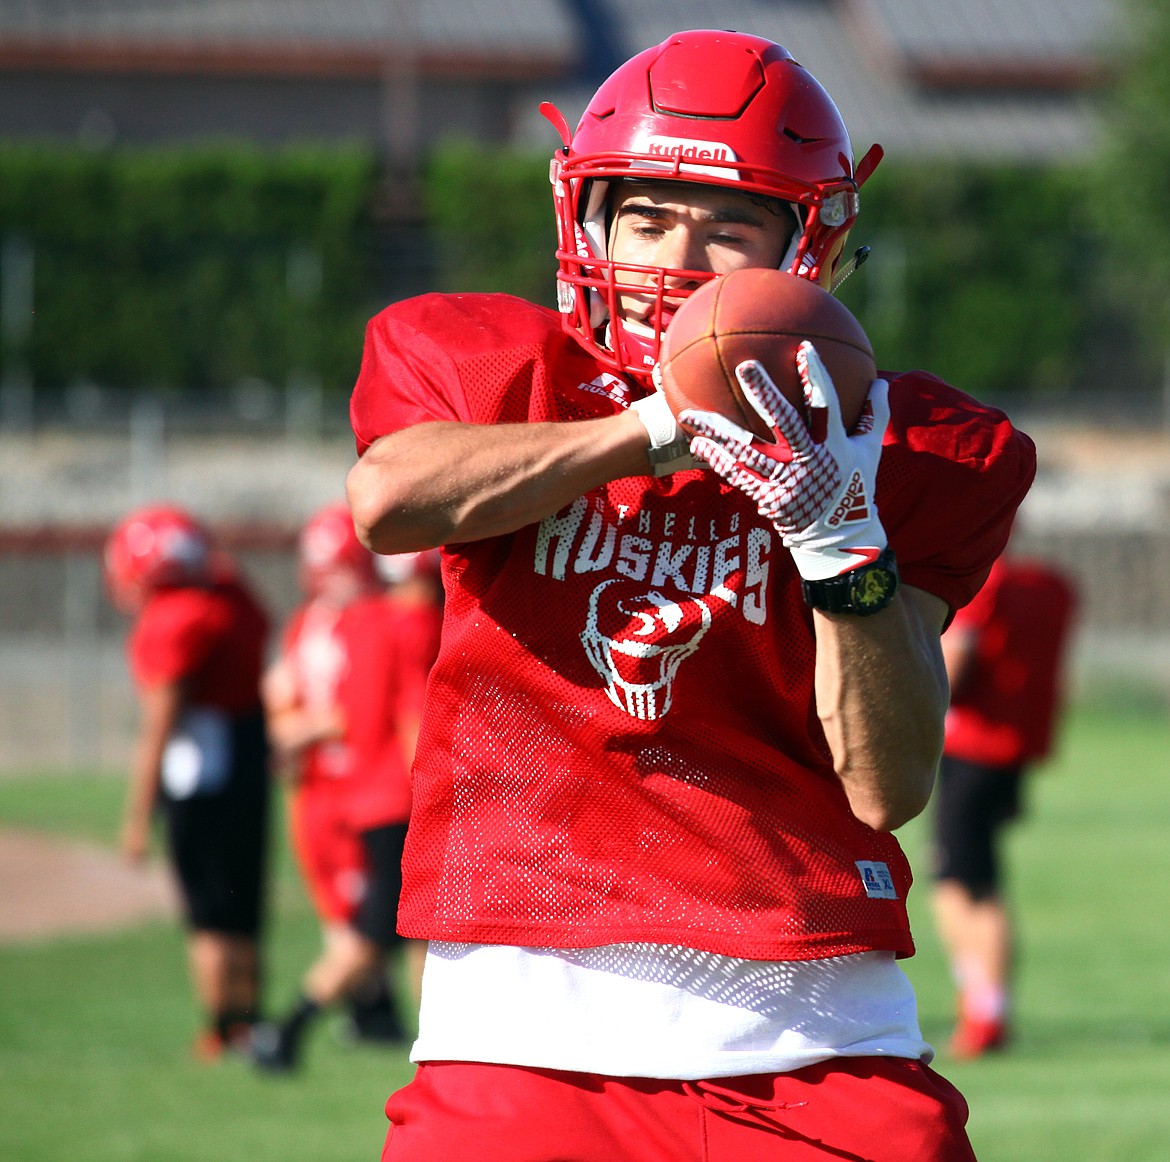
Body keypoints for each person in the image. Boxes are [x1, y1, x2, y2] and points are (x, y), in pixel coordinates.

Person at [345, 29, 1036, 1161]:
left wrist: (838, 537)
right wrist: (651, 433)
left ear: (806, 244)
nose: (678, 259)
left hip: (813, 1026)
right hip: (524, 1020)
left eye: (729, 228)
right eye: (650, 216)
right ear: (589, 221)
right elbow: (389, 500)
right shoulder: (499, 371)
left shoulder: (906, 449)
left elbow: (889, 782)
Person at [251, 502, 441, 1072]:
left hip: (356, 791)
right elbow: (412, 716)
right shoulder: (404, 624)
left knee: (411, 928)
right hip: (395, 794)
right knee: (378, 927)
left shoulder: (355, 624)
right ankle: (290, 1028)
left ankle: (419, 1033)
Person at [104, 504, 271, 1061]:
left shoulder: (175, 619)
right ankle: (251, 1022)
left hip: (203, 772)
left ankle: (222, 1029)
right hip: (249, 757)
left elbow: (160, 725)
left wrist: (136, 816)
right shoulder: (231, 597)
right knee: (244, 904)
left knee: (208, 914)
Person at [931, 550, 1076, 1059]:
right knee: (958, 879)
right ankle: (981, 1000)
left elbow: (957, 657)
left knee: (968, 883)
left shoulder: (983, 581)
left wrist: (908, 702)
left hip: (972, 745)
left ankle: (987, 1011)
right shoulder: (1052, 584)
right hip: (1013, 748)